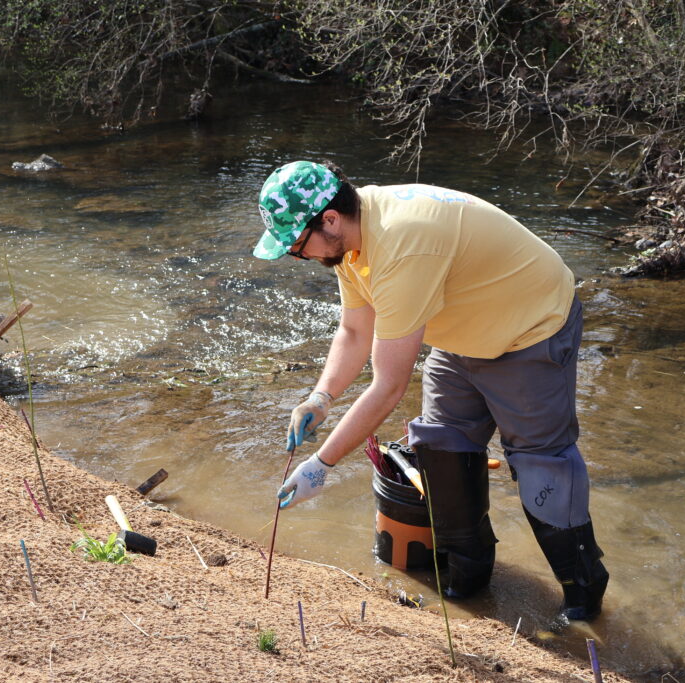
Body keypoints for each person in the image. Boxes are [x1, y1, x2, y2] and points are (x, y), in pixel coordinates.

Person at [251, 160, 609, 621]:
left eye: (298, 246)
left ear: (330, 218)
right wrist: (320, 398)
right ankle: (469, 580)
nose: (301, 258)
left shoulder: (401, 245)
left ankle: (583, 594)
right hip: (462, 335)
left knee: (543, 467)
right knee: (441, 450)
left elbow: (388, 386)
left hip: (530, 328)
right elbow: (356, 330)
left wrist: (322, 465)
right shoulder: (348, 245)